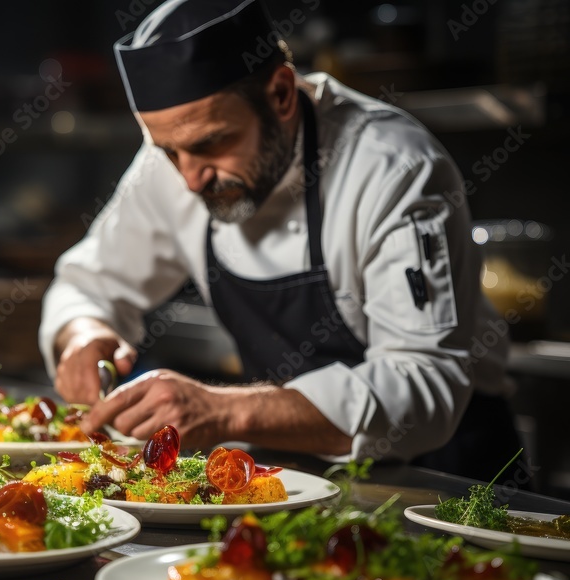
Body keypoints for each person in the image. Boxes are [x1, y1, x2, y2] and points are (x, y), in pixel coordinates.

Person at [38, 0, 523, 481]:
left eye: (212, 143)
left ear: (281, 94)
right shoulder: (175, 163)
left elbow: (423, 386)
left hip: (448, 479)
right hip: (300, 476)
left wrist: (225, 413)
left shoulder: (392, 167)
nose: (188, 179)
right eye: (168, 151)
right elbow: (88, 285)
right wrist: (82, 333)